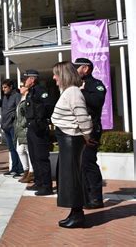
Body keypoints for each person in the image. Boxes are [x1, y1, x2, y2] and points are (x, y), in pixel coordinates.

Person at [51, 61, 93, 228]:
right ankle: (75, 213)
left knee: (72, 178)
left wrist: (87, 135)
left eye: (56, 74)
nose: (54, 77)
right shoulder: (69, 91)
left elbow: (82, 116)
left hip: (71, 139)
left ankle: (78, 216)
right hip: (67, 139)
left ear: (64, 75)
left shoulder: (73, 92)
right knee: (68, 177)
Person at [74, 58, 106, 209]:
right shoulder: (77, 85)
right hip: (79, 129)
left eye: (77, 67)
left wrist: (82, 92)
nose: (75, 70)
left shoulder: (96, 84)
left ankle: (96, 198)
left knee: (88, 162)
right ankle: (86, 196)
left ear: (86, 68)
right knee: (81, 164)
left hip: (92, 129)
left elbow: (97, 101)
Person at [23, 69, 55, 196]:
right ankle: (39, 182)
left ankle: (46, 186)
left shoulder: (41, 91)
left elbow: (48, 106)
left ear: (32, 79)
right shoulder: (31, 92)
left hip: (39, 127)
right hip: (31, 127)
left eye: (25, 78)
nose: (24, 81)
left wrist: (41, 121)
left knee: (41, 157)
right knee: (34, 156)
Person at [1, 79, 24, 177]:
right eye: (2, 87)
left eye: (5, 87)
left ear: (11, 87)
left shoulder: (16, 96)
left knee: (16, 148)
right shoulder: (5, 97)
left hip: (13, 126)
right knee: (11, 149)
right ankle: (14, 169)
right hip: (5, 126)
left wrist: (12, 118)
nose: (3, 89)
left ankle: (20, 169)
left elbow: (19, 109)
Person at [14, 83, 34, 183]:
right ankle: (26, 170)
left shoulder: (28, 98)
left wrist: (22, 124)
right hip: (20, 129)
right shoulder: (22, 99)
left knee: (27, 150)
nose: (20, 88)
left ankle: (31, 172)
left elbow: (27, 114)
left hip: (25, 129)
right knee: (20, 150)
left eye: (22, 86)